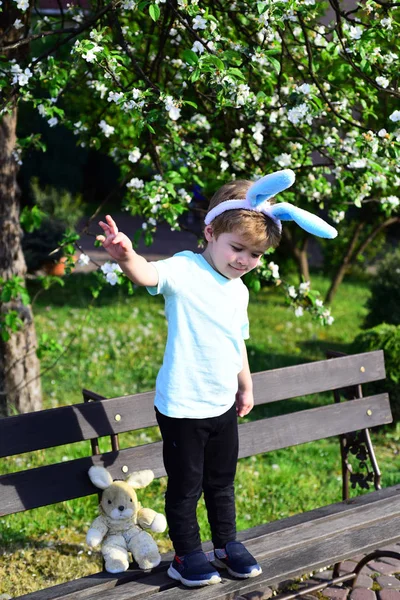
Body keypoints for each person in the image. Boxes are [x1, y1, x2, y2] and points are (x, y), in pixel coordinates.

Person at [97, 169, 337, 588]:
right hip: (183, 406)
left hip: (222, 403)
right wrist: (126, 256)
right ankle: (186, 554)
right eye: (237, 248)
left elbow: (235, 340)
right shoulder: (186, 270)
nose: (244, 260)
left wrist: (246, 384)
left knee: (222, 482)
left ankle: (226, 543)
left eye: (256, 255)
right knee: (187, 486)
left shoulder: (239, 289)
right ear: (210, 232)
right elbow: (150, 275)